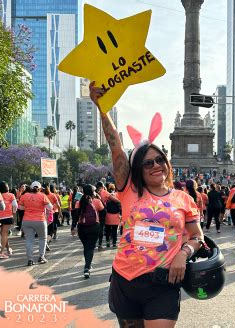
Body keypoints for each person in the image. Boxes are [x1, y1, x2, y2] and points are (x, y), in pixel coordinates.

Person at [90, 82, 203, 327]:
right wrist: (101, 109)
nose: (155, 166)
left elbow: (197, 236)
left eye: (159, 159)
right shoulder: (129, 192)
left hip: (162, 284)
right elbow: (115, 148)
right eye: (147, 163)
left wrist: (183, 254)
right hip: (125, 280)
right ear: (137, 170)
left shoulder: (183, 198)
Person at [18, 182, 53, 266]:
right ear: (40, 188)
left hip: (27, 220)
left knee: (29, 240)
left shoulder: (24, 196)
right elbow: (50, 207)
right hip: (40, 221)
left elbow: (20, 207)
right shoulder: (42, 196)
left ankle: (30, 260)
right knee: (42, 239)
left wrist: (28, 207)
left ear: (30, 188)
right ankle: (41, 257)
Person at [76, 184, 103, 279]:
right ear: (93, 192)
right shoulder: (97, 201)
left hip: (81, 228)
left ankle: (88, 264)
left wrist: (72, 227)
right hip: (94, 227)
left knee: (86, 247)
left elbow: (76, 215)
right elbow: (104, 211)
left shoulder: (79, 202)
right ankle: (87, 267)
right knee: (90, 248)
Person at [0, 181, 18, 258]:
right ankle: (1, 253)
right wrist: (14, 212)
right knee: (4, 235)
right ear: (7, 187)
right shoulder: (11, 195)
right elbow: (15, 205)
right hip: (8, 217)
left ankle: (8, 249)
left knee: (2, 235)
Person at [105, 184, 121, 248]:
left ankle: (107, 242)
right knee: (114, 231)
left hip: (108, 216)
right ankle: (114, 243)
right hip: (116, 216)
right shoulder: (117, 195)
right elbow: (120, 206)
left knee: (108, 231)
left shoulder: (107, 196)